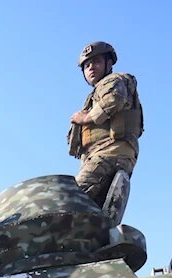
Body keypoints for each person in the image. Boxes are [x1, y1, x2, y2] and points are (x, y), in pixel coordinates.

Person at [68, 41, 144, 210]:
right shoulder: (96, 93)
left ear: (109, 64)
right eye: (87, 65)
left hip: (110, 153)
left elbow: (114, 99)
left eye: (96, 62)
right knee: (91, 211)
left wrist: (85, 118)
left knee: (72, 202)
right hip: (103, 155)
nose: (91, 68)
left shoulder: (113, 81)